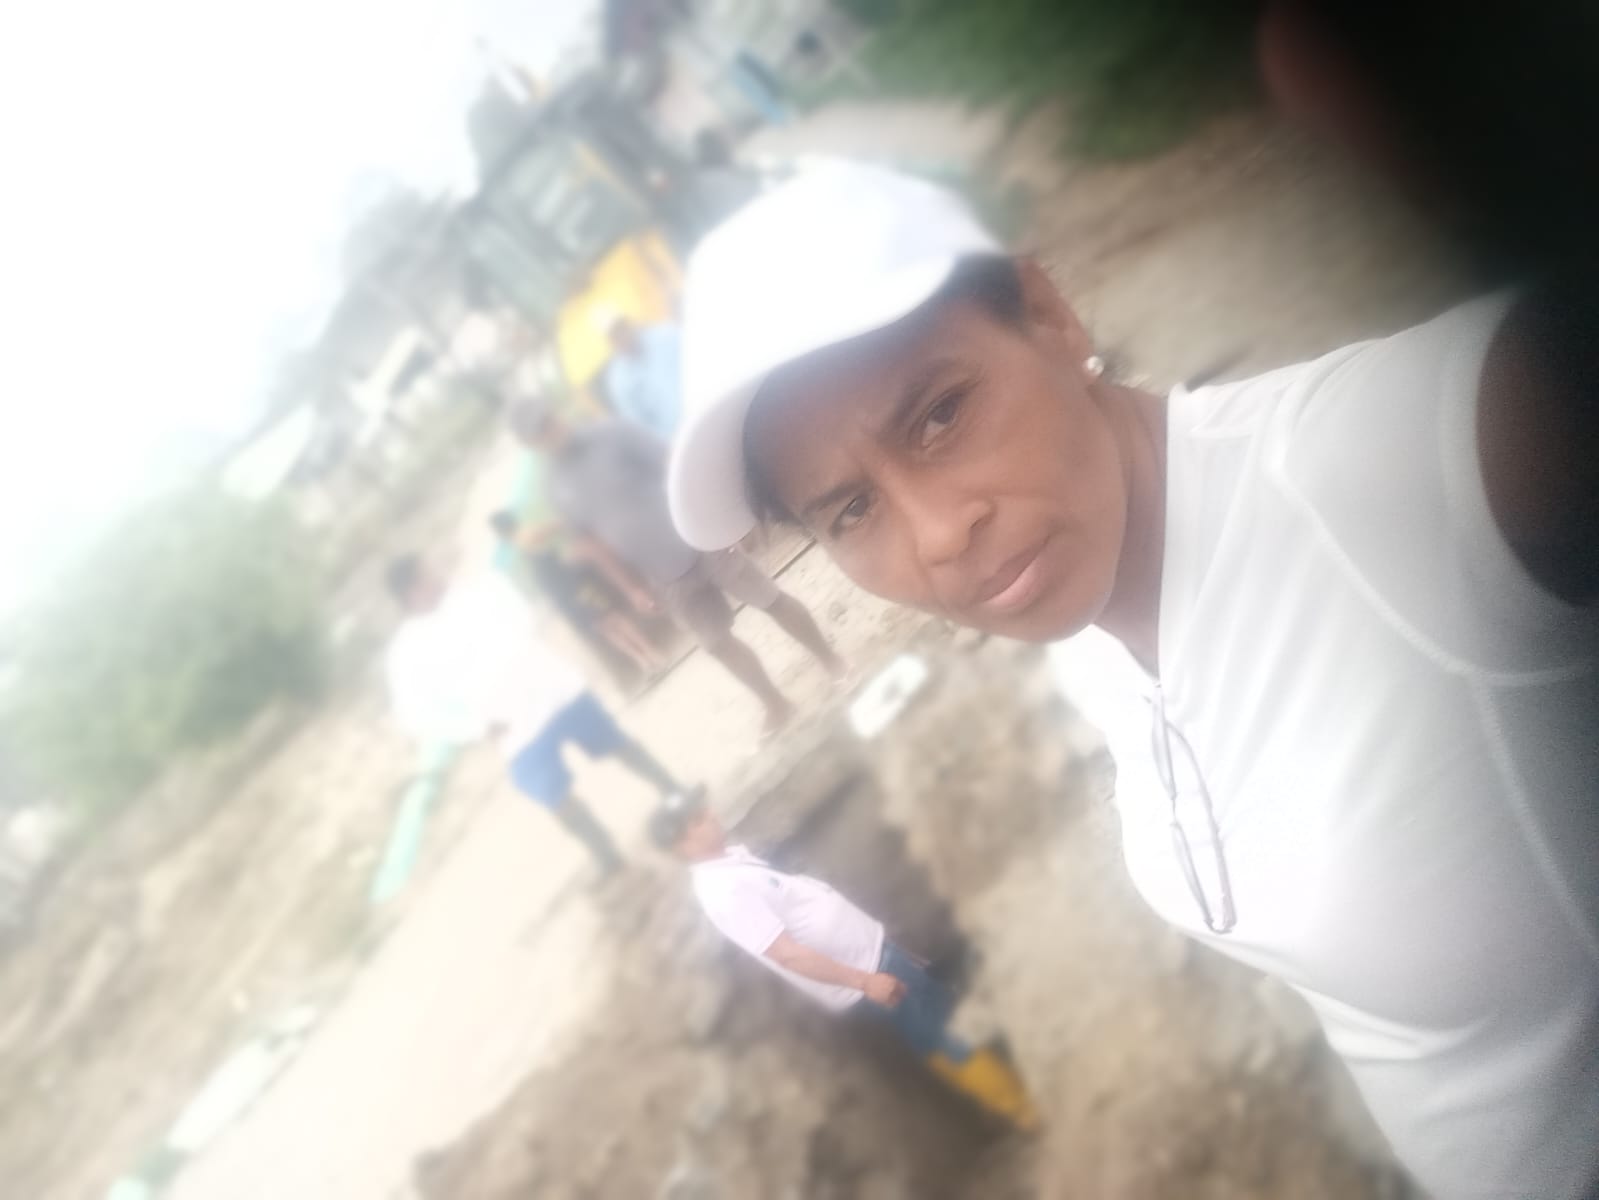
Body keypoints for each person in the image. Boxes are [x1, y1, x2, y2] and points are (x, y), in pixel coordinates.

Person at [666, 163, 1599, 1198]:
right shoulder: (1088, 638)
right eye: (850, 511)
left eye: (939, 414)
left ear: (1048, 315)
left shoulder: (1394, 469)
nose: (936, 536)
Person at [648, 795, 1036, 1128]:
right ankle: (1021, 1108)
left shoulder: (730, 862)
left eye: (703, 810)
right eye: (698, 820)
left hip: (877, 957)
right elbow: (787, 954)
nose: (711, 815)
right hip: (867, 973)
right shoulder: (723, 893)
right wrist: (866, 981)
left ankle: (1011, 1090)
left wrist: (883, 947)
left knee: (940, 1024)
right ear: (682, 845)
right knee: (945, 1037)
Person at [508, 402, 846, 739]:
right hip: (661, 574)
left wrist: (719, 519)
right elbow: (595, 544)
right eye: (540, 432)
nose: (551, 431)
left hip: (700, 539)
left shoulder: (611, 434)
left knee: (769, 599)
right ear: (532, 444)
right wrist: (632, 589)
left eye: (549, 420)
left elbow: (673, 464)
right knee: (715, 643)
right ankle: (776, 703)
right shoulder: (557, 489)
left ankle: (833, 662)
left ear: (557, 415)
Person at [384, 553, 692, 875]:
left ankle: (675, 791)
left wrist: (512, 657)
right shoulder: (407, 652)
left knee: (617, 744)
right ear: (412, 593)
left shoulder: (478, 587)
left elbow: (521, 614)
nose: (438, 574)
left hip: (554, 689)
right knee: (552, 795)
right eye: (428, 574)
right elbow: (416, 714)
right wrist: (475, 727)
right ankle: (607, 855)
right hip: (514, 727)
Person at [489, 509, 666, 681]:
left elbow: (554, 533)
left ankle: (647, 660)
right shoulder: (526, 534)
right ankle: (650, 657)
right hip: (571, 585)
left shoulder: (520, 542)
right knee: (610, 620)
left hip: (565, 592)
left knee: (606, 625)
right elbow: (559, 526)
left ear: (500, 531)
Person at [601, 315, 684, 440]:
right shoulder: (619, 381)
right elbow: (639, 423)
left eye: (621, 329)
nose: (622, 337)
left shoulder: (666, 335)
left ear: (629, 325)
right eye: (614, 336)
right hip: (676, 434)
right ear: (610, 343)